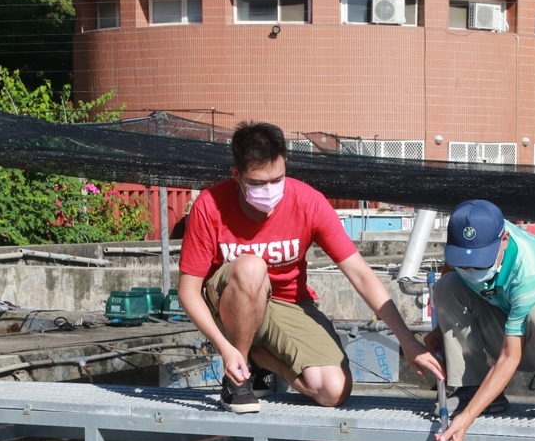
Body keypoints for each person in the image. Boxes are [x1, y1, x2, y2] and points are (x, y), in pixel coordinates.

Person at [177, 121, 443, 413]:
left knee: (334, 390)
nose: (269, 190)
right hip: (229, 306)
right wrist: (224, 349)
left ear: (286, 166)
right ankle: (237, 381)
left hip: (289, 304)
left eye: (276, 180)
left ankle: (260, 359)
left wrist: (407, 339)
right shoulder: (209, 205)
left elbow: (360, 274)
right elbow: (189, 292)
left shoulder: (308, 202)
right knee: (252, 267)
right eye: (257, 183)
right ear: (236, 174)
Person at [428, 199, 535, 441]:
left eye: (480, 262)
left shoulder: (530, 269)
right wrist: (440, 331)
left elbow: (509, 356)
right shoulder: (475, 238)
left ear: (503, 240)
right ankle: (472, 387)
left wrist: (467, 420)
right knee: (447, 286)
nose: (470, 270)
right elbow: (452, 268)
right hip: (509, 325)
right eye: (464, 262)